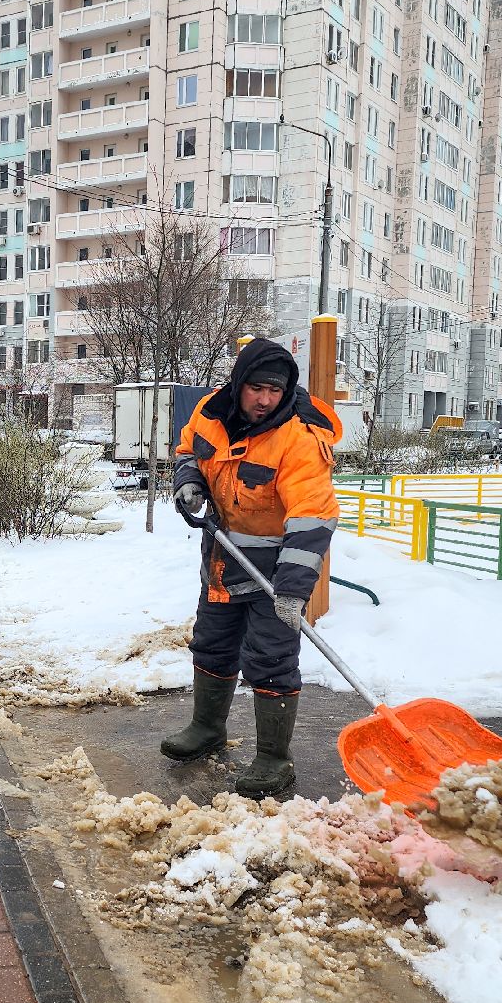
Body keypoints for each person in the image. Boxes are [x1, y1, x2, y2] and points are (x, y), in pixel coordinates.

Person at [163, 337, 342, 798]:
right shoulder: (209, 413)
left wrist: (293, 590)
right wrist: (188, 481)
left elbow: (313, 518)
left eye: (275, 390)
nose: (265, 399)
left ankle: (273, 757)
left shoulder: (300, 440)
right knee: (212, 644)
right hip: (222, 556)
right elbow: (188, 452)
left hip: (276, 568)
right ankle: (207, 728)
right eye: (256, 388)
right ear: (238, 383)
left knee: (271, 657)